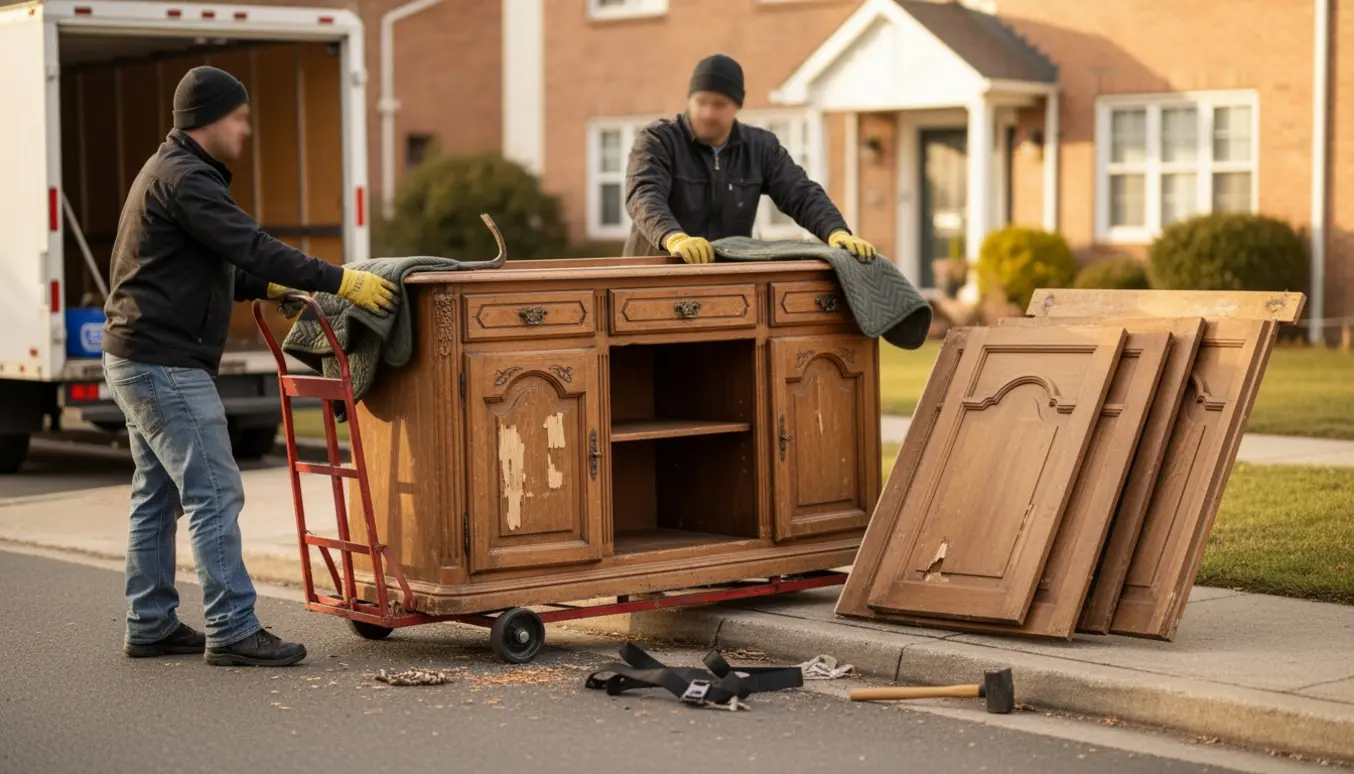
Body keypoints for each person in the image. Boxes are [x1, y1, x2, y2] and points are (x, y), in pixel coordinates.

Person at [101, 66, 398, 667]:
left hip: (137, 355)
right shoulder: (187, 178)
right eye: (238, 118)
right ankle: (233, 628)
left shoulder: (169, 170)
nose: (246, 129)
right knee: (214, 491)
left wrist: (268, 287)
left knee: (156, 496)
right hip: (164, 364)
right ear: (208, 120)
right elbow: (252, 245)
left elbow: (214, 267)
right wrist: (341, 280)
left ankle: (150, 623)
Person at [623, 53, 876, 264]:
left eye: (719, 104)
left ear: (737, 106)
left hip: (726, 276)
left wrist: (835, 231)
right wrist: (674, 238)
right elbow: (643, 194)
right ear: (689, 100)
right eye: (701, 102)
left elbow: (800, 193)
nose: (708, 113)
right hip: (655, 274)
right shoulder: (658, 140)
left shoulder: (760, 147)